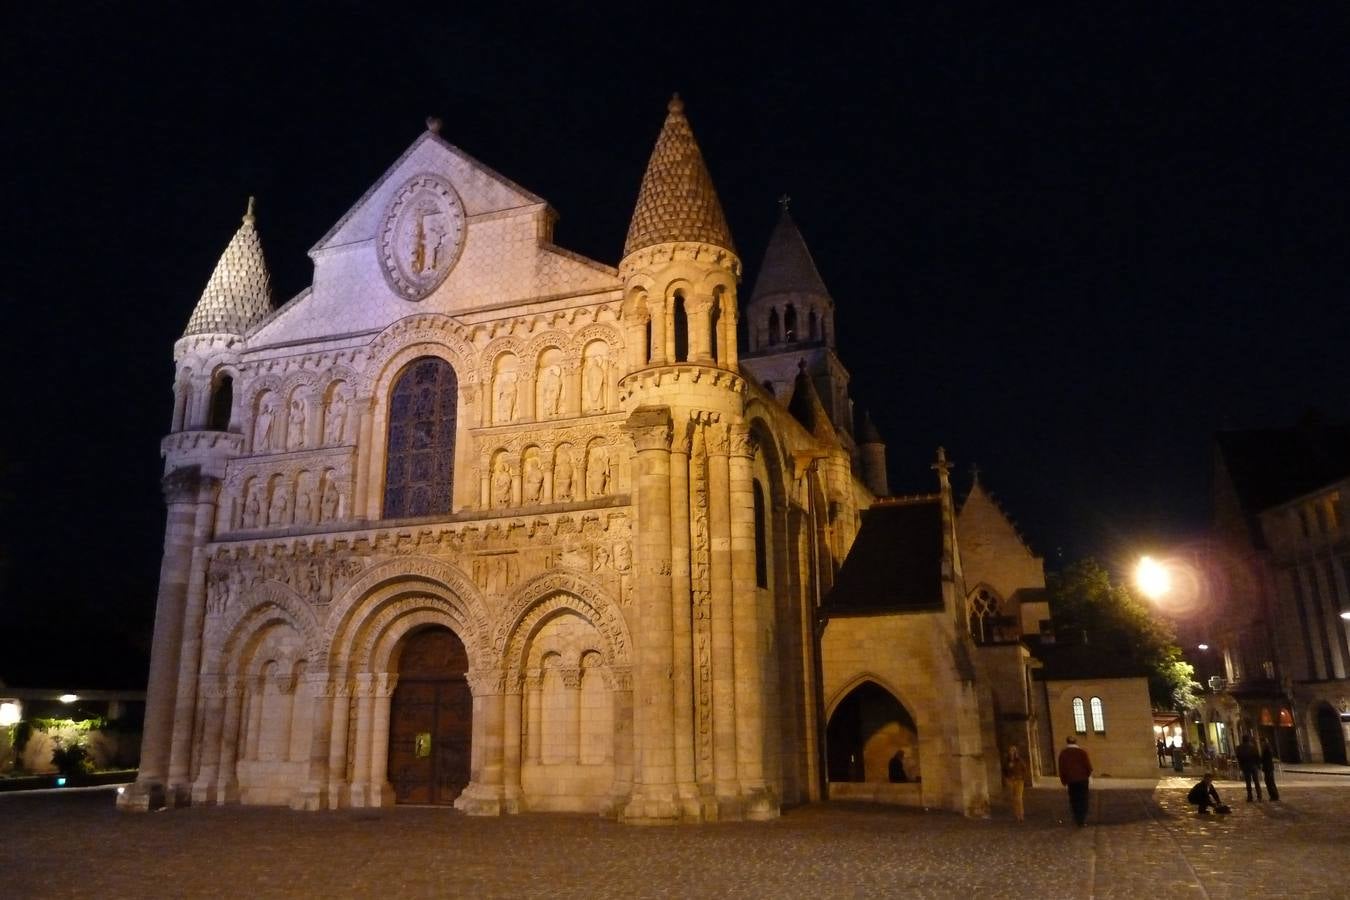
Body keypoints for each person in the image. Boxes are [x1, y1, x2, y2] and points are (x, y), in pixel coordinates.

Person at [1057, 736, 1093, 827]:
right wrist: (1087, 775)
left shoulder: (1063, 753)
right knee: (1083, 799)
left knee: (1074, 799)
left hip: (1071, 780)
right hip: (1082, 779)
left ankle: (1077, 818)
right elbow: (1088, 766)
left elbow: (1062, 768)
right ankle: (1082, 819)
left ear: (1067, 742)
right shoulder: (1082, 752)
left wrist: (1064, 780)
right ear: (1076, 742)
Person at [1003, 745, 1028, 822]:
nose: (1011, 752)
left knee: (1019, 798)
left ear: (1015, 752)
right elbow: (1004, 770)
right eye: (1010, 751)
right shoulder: (1007, 761)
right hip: (1011, 781)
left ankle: (1021, 815)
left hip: (1019, 781)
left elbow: (1024, 769)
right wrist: (1007, 778)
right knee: (1014, 799)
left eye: (1013, 751)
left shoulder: (1019, 760)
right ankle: (1017, 815)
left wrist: (1023, 777)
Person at [1235, 735, 1262, 801]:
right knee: (1256, 781)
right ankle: (1259, 796)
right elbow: (1257, 756)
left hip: (1245, 766)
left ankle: (1250, 796)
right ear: (1248, 739)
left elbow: (1238, 757)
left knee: (1248, 782)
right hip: (1253, 765)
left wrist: (1241, 766)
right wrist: (1258, 765)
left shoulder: (1239, 748)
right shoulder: (1253, 747)